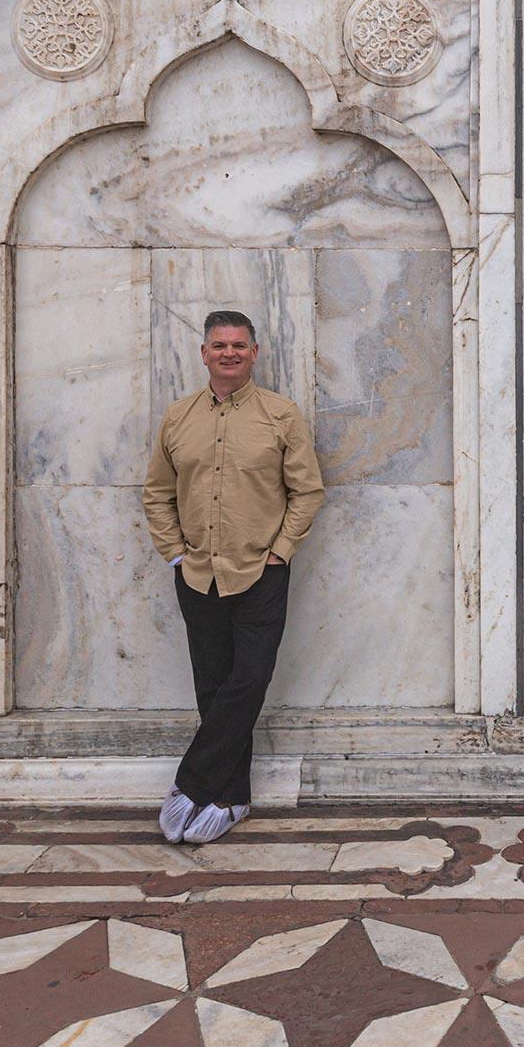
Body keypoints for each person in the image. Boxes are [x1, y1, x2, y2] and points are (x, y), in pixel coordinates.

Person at [144, 311, 324, 845]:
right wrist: (175, 553)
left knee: (248, 680)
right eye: (219, 345)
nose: (229, 353)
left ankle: (190, 782)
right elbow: (157, 492)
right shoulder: (177, 418)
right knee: (213, 685)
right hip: (197, 572)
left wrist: (281, 551)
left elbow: (307, 490)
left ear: (254, 352)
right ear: (204, 353)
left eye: (238, 346)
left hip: (261, 570)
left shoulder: (281, 414)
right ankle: (231, 797)